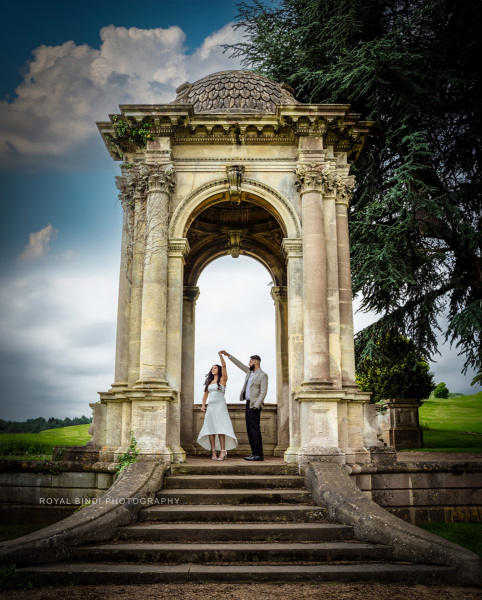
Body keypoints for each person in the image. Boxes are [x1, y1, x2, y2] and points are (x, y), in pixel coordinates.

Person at [220, 350, 268, 461]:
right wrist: (229, 356)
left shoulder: (263, 375)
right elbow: (240, 365)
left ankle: (259, 454)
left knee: (255, 430)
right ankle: (254, 453)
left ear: (255, 362)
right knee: (249, 430)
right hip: (248, 403)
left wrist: (256, 405)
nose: (248, 363)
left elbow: (263, 392)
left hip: (254, 405)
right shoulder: (249, 372)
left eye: (250, 362)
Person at [197, 351, 238, 460]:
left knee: (221, 428)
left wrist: (220, 355)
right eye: (212, 368)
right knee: (210, 429)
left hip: (220, 406)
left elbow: (224, 365)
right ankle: (213, 452)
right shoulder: (209, 381)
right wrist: (203, 405)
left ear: (219, 370)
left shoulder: (223, 379)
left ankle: (223, 451)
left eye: (215, 367)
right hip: (211, 407)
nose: (213, 369)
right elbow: (205, 394)